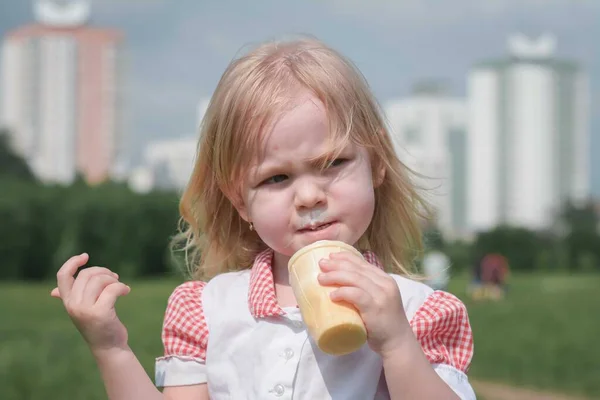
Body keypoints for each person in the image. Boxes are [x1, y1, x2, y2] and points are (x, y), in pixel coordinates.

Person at [51, 36, 475, 399]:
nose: (309, 195)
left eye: (332, 162)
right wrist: (112, 348)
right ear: (239, 201)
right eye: (276, 178)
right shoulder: (206, 310)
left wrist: (398, 344)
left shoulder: (417, 312)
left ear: (377, 162)